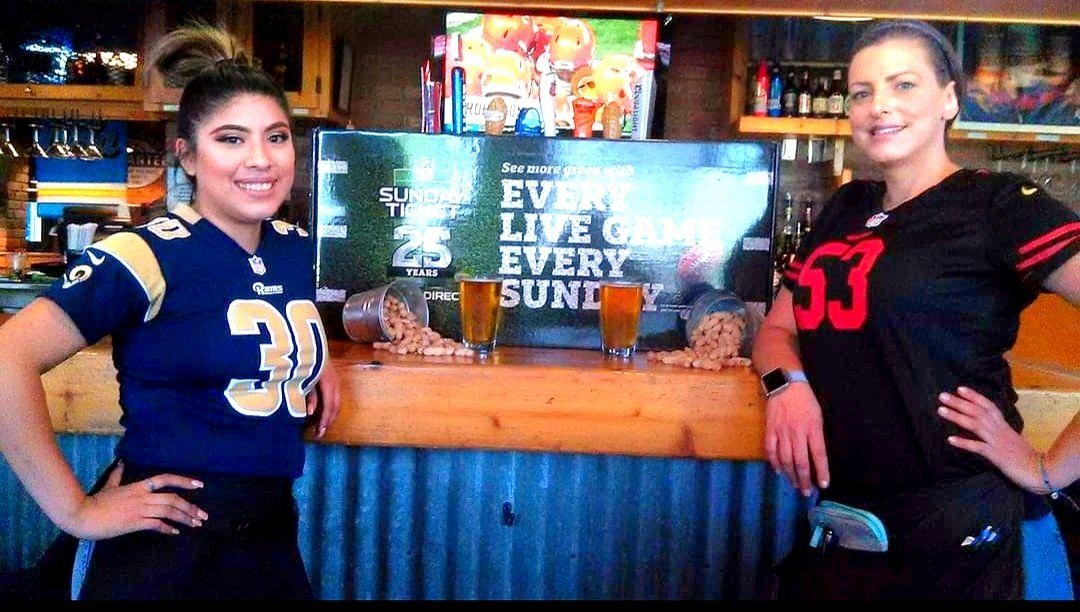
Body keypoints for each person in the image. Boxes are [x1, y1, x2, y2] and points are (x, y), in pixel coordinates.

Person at [0, 23, 340, 600]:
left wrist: (313, 363)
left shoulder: (295, 247)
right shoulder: (143, 253)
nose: (260, 158)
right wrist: (76, 511)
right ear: (186, 155)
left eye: (276, 137)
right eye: (230, 139)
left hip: (269, 540)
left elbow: (261, 320)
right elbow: (8, 358)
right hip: (163, 547)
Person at [752, 19, 1079, 600]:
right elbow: (778, 329)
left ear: (949, 99)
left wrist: (1047, 469)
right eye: (862, 92)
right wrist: (785, 385)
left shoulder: (997, 204)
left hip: (961, 538)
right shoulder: (845, 207)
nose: (880, 106)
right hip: (843, 533)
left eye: (903, 85)